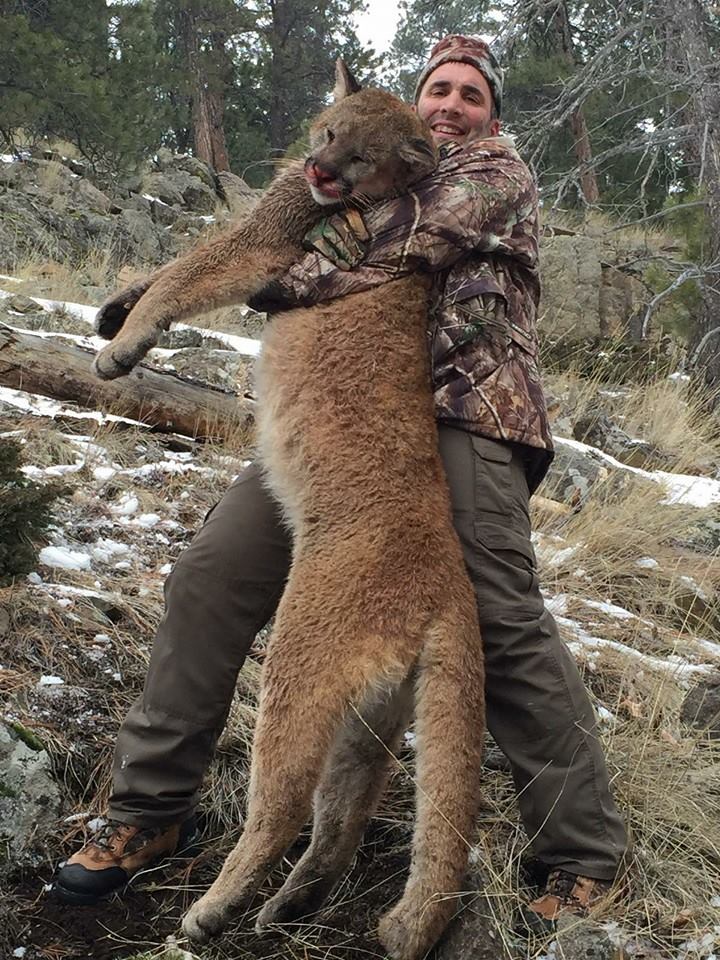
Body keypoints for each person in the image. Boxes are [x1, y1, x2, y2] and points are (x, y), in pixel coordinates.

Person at [53, 35, 627, 924]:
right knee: (211, 577)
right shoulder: (370, 148)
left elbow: (392, 235)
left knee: (496, 614)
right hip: (350, 419)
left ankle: (582, 857)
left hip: (471, 415)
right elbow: (267, 232)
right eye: (436, 87)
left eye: (469, 94)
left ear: (492, 115)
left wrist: (283, 267)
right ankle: (149, 810)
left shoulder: (490, 172)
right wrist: (158, 288)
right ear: (412, 98)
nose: (449, 104)